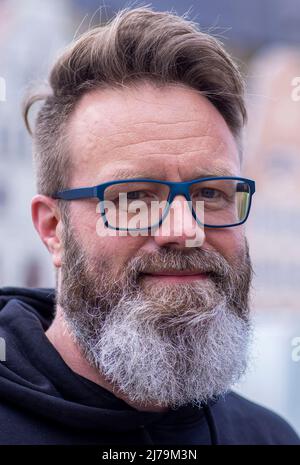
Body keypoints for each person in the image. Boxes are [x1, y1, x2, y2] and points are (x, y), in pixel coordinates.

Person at [0, 7, 299, 445]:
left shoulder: (269, 437)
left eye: (211, 193)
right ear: (52, 229)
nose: (183, 229)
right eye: (133, 197)